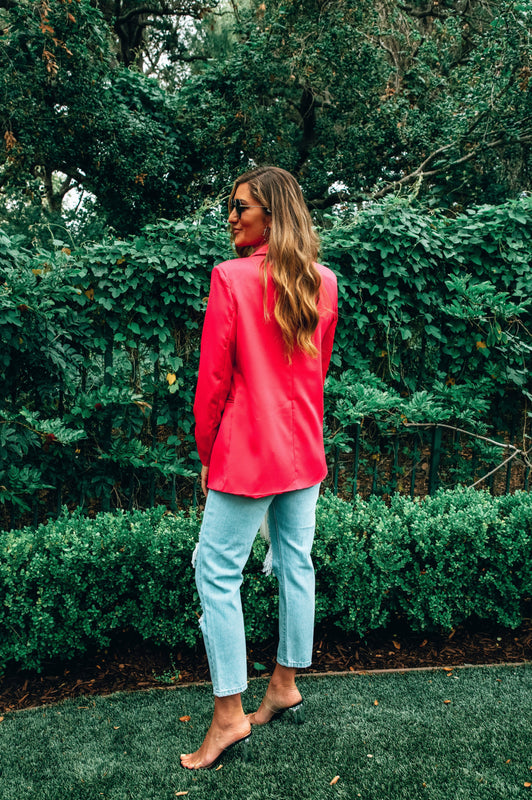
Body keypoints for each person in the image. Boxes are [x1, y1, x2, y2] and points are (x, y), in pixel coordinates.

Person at [180, 166, 338, 770]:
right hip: (303, 449)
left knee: (216, 572)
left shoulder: (232, 279)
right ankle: (284, 683)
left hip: (247, 452)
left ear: (270, 215)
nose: (231, 217)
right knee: (295, 562)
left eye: (240, 207)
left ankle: (227, 717)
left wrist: (206, 452)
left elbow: (213, 383)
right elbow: (317, 373)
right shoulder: (323, 281)